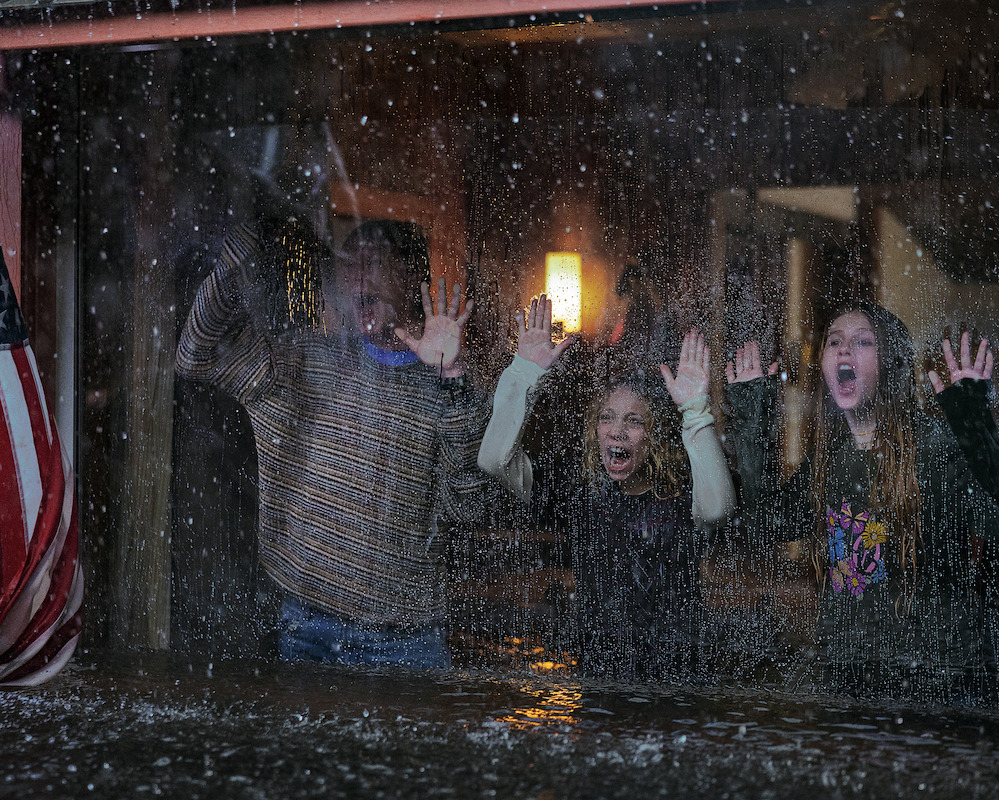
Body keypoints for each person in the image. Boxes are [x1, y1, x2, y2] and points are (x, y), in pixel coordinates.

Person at [176, 216, 489, 668]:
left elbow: (468, 507)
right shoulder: (304, 358)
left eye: (376, 259)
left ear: (411, 277)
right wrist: (237, 250)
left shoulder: (446, 385)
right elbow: (194, 354)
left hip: (407, 643)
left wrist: (452, 378)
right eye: (350, 259)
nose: (359, 272)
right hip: (308, 628)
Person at [724, 301, 999, 707]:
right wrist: (753, 417)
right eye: (834, 341)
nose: (844, 351)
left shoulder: (932, 448)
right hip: (846, 677)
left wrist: (975, 427)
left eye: (862, 342)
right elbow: (768, 524)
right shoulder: (828, 458)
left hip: (931, 683)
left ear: (891, 363)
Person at [478, 296, 734, 683]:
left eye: (633, 421)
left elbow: (718, 509)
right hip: (600, 679)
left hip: (678, 682)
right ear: (594, 430)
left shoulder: (680, 496)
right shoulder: (580, 495)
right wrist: (523, 372)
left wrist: (695, 410)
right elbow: (494, 461)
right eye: (607, 418)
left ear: (654, 438)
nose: (617, 430)